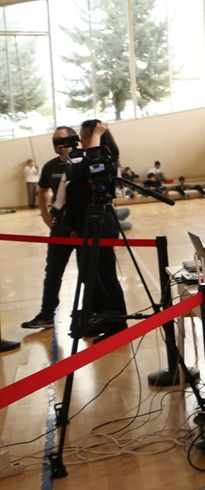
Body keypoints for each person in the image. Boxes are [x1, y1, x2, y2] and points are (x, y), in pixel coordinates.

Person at [57, 120, 129, 343]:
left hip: (101, 226)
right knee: (90, 277)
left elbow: (96, 171)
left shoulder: (105, 161)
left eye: (86, 136)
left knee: (105, 276)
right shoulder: (82, 161)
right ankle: (97, 318)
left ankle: (117, 323)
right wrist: (72, 226)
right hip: (84, 226)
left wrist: (98, 134)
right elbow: (74, 196)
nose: (82, 141)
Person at [21, 127, 79, 330]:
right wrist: (45, 214)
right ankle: (46, 314)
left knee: (89, 273)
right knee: (53, 272)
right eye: (54, 140)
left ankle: (92, 314)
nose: (57, 144)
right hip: (59, 227)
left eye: (61, 140)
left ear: (73, 140)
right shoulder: (50, 166)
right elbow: (43, 190)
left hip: (82, 227)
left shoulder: (82, 162)